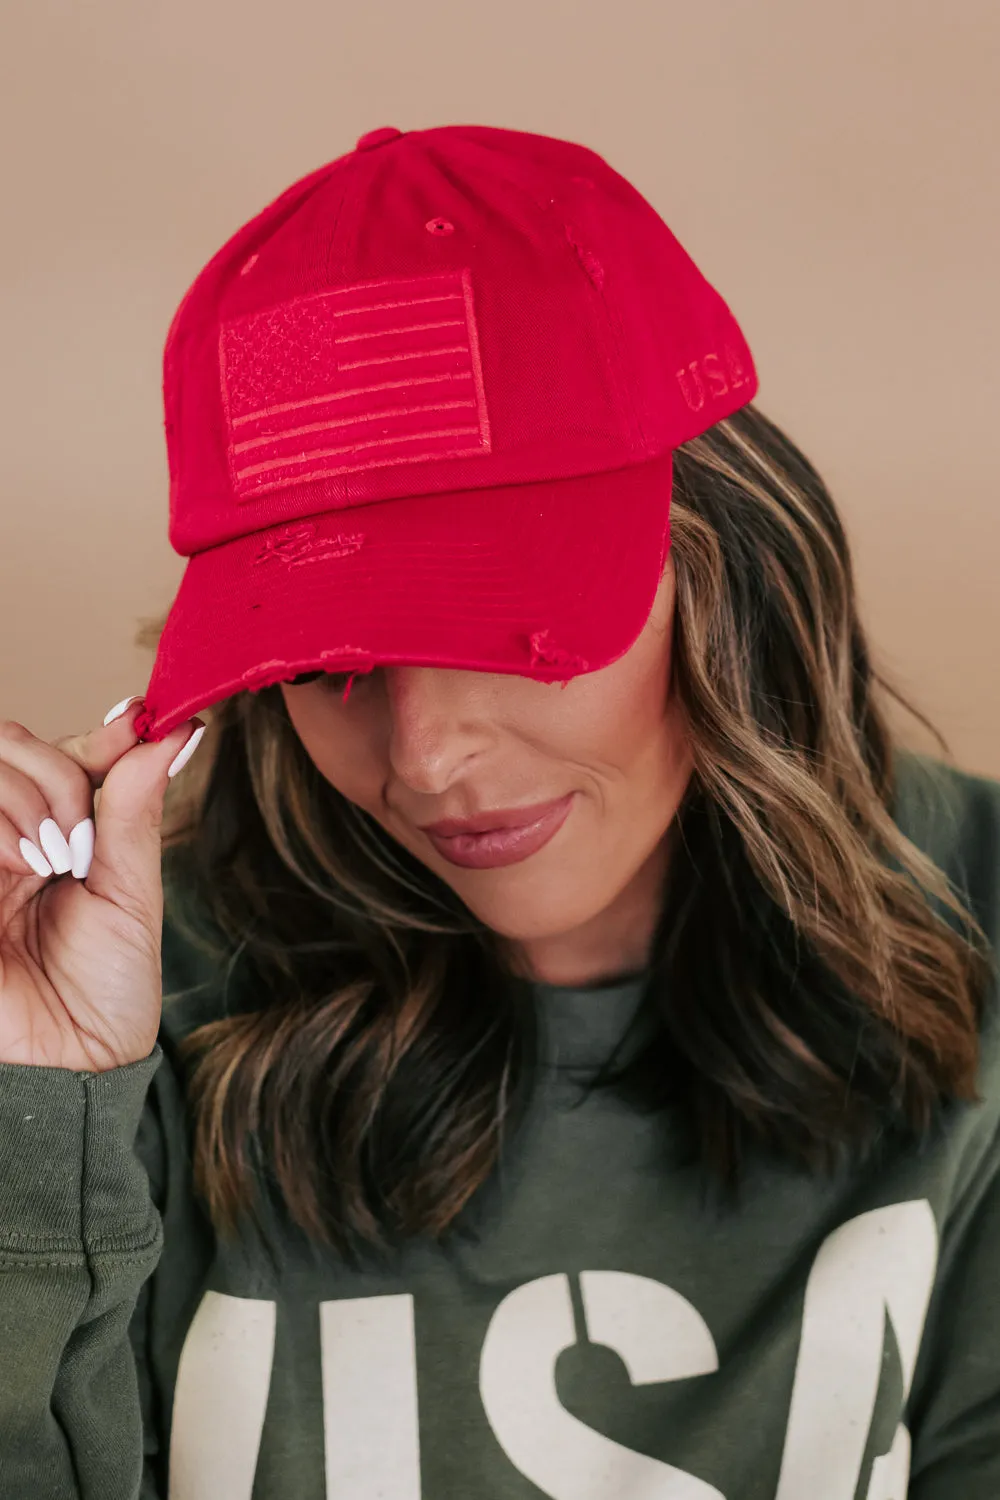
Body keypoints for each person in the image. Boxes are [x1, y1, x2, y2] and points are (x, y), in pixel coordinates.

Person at [0, 122, 997, 1500]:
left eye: (501, 625)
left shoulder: (981, 927)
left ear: (730, 568)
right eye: (330, 660)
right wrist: (36, 1114)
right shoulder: (126, 999)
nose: (425, 761)